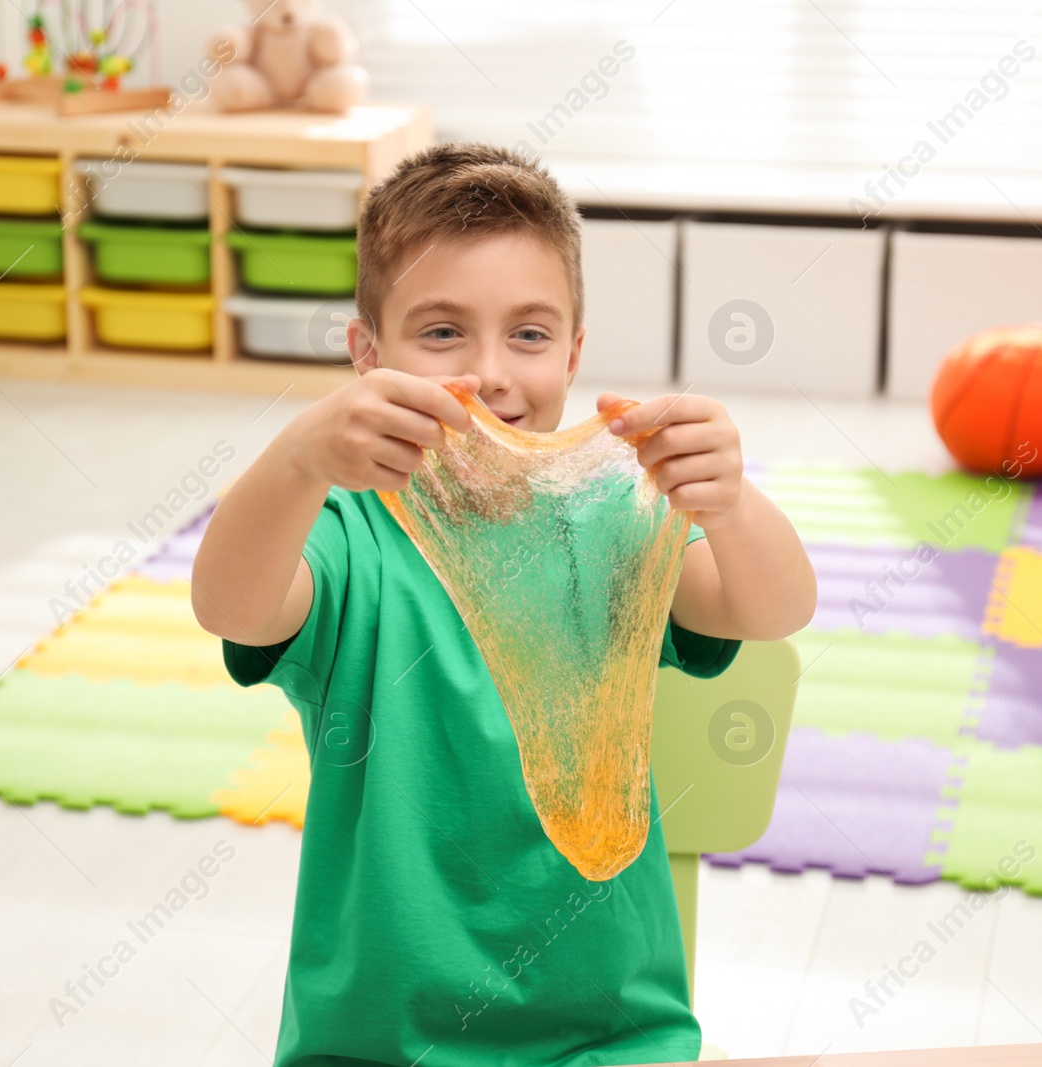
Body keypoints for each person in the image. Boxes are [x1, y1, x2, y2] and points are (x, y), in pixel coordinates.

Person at [192, 143, 817, 1067]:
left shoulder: (618, 517)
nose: (490, 373)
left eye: (528, 335)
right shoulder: (349, 532)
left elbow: (772, 609)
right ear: (369, 357)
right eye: (441, 332)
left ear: (572, 353)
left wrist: (730, 498)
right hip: (376, 1044)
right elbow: (233, 606)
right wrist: (297, 460)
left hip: (614, 1037)